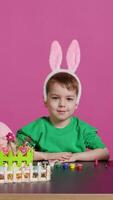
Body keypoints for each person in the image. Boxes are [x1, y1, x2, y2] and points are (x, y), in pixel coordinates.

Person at [16, 40, 109, 162]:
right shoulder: (38, 128)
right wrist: (47, 156)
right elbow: (17, 151)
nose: (62, 104)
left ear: (76, 103)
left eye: (69, 99)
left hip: (77, 179)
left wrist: (75, 157)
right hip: (45, 179)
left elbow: (104, 152)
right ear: (45, 100)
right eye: (55, 98)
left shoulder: (82, 129)